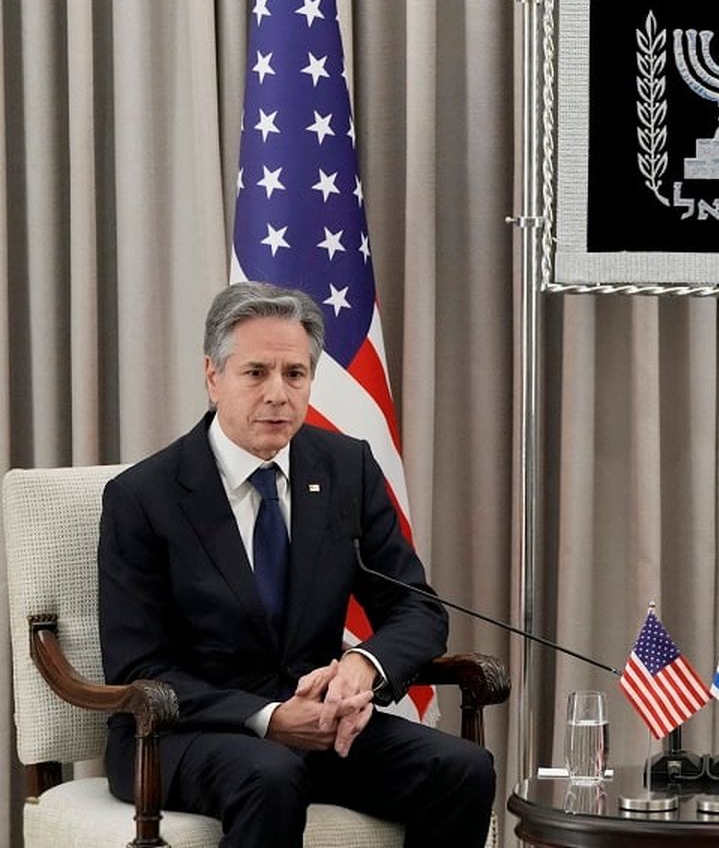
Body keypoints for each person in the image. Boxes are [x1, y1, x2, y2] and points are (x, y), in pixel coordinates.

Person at [98, 281, 494, 846]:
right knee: (271, 773)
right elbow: (140, 665)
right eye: (256, 373)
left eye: (295, 374)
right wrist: (269, 717)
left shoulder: (346, 469)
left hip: (320, 724)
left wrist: (364, 667)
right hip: (180, 731)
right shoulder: (143, 497)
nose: (278, 394)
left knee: (462, 768)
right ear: (213, 377)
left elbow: (417, 607)